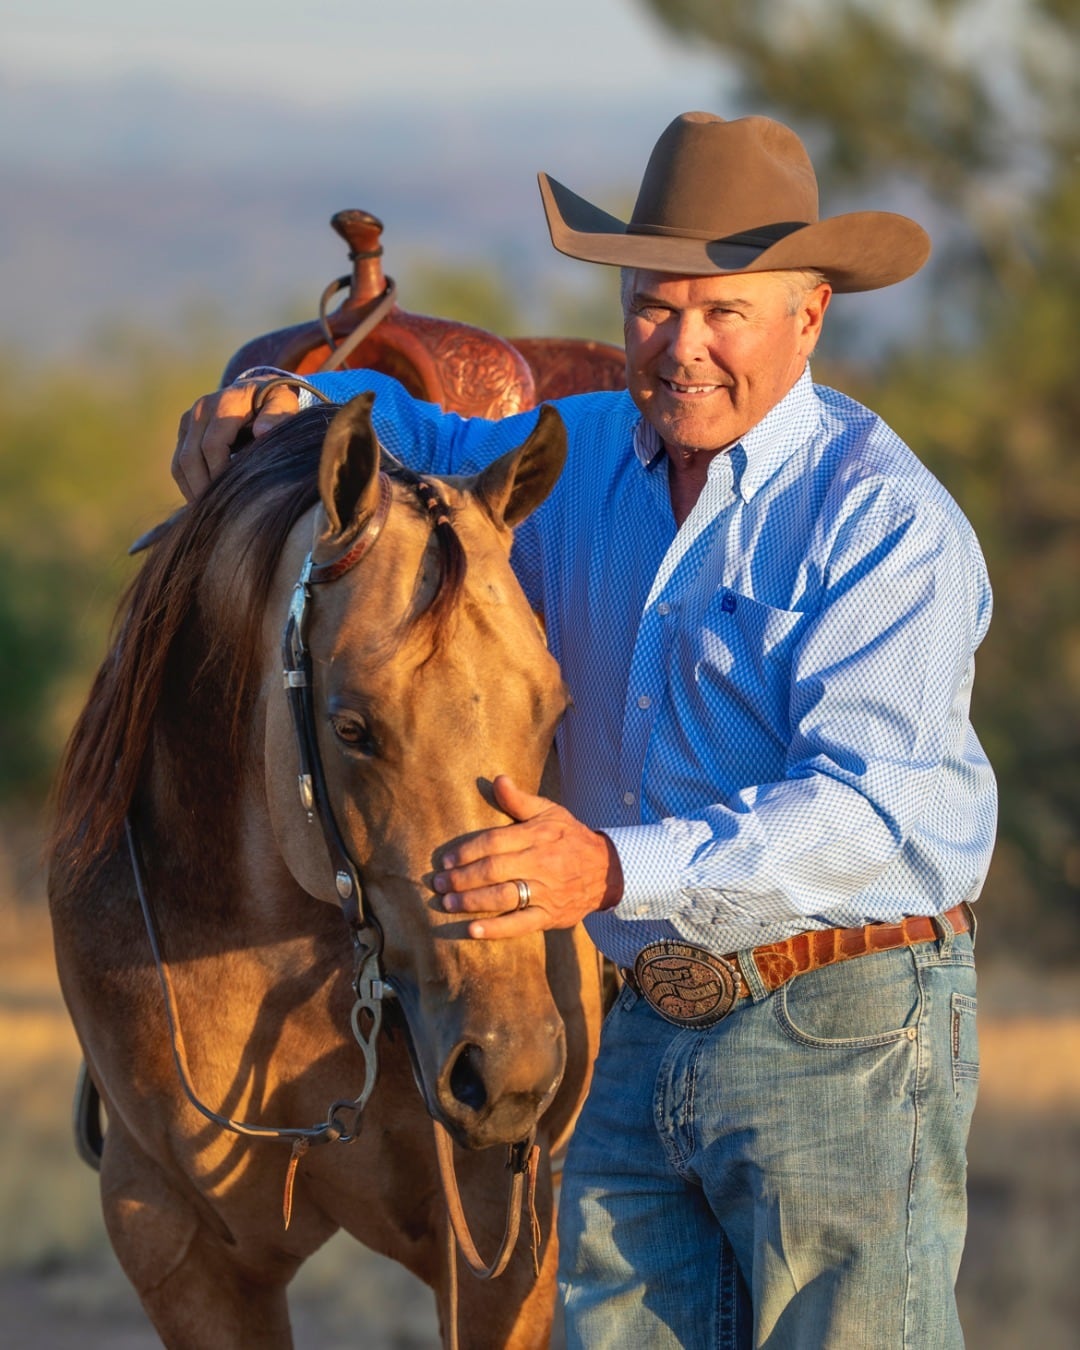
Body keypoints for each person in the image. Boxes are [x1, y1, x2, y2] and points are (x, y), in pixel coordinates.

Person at [174, 112, 994, 1348]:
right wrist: (285, 397)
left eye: (725, 312)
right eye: (655, 308)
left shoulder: (882, 521)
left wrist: (612, 866)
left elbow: (872, 813)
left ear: (808, 317)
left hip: (842, 1022)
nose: (682, 347)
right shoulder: (600, 449)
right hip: (627, 1025)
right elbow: (430, 440)